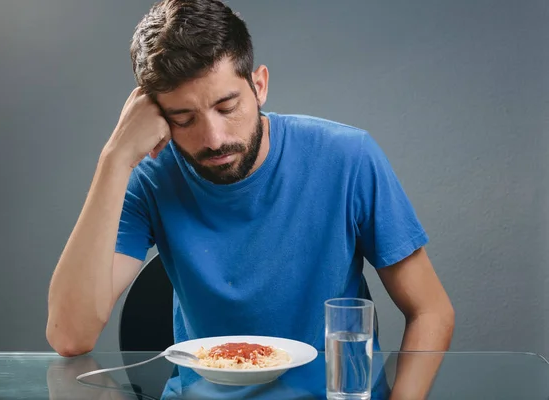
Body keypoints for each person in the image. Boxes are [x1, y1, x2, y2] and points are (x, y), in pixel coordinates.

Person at [46, 0, 455, 398]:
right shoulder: (152, 178)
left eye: (227, 106)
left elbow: (431, 311)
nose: (214, 139)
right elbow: (70, 336)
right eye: (183, 119)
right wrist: (115, 159)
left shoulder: (348, 157)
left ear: (258, 85)